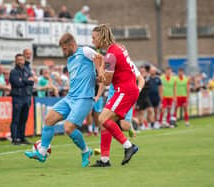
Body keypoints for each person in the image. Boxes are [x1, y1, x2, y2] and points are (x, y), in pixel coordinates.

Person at [25, 33, 101, 167]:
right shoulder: (70, 59)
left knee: (68, 128)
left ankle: (85, 151)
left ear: (72, 45)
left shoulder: (85, 51)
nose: (63, 52)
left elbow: (101, 58)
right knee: (49, 119)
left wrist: (100, 72)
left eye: (65, 49)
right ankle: (42, 152)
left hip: (84, 98)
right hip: (71, 97)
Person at [90, 24, 141, 166]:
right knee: (106, 122)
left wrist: (98, 67)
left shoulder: (111, 55)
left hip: (124, 91)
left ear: (101, 37)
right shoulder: (118, 48)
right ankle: (105, 160)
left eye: (94, 38)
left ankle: (129, 146)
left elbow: (106, 82)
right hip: (128, 89)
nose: (92, 41)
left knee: (102, 118)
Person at [9, 54, 34, 145]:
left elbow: (32, 81)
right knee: (16, 118)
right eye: (18, 60)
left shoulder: (27, 70)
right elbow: (16, 83)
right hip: (17, 97)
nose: (20, 61)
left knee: (24, 119)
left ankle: (22, 137)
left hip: (26, 97)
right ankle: (14, 138)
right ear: (15, 61)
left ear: (24, 61)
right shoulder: (13, 72)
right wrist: (27, 81)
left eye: (21, 60)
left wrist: (23, 81)